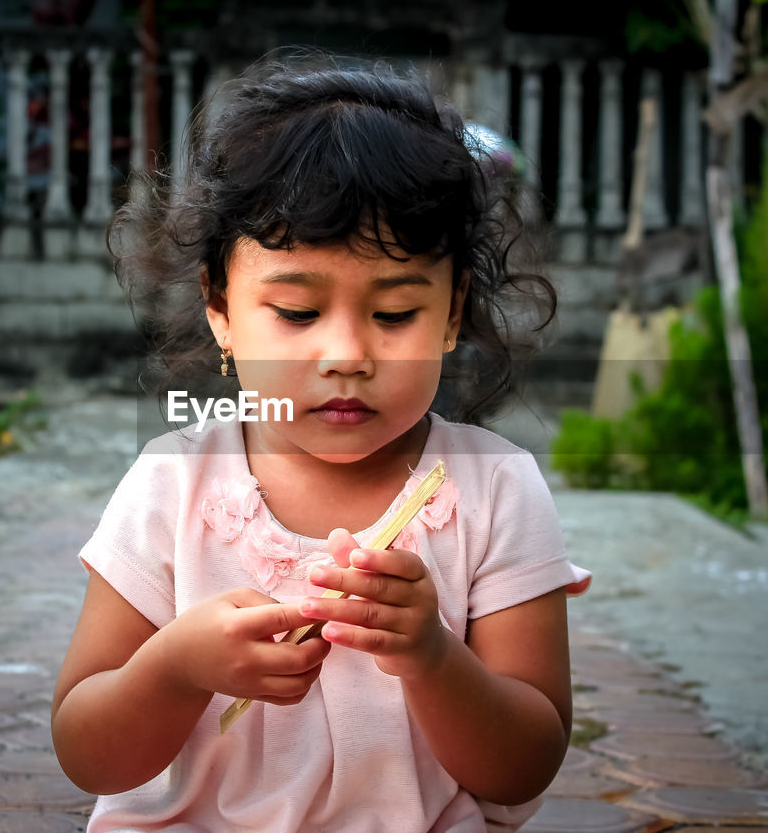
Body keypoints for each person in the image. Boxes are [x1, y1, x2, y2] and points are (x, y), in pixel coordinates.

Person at [51, 56, 592, 833]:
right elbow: (87, 753)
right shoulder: (175, 482)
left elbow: (526, 761)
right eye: (298, 313)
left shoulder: (494, 488)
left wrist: (432, 659)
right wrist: (175, 666)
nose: (347, 353)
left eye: (397, 313)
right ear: (220, 308)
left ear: (451, 313)